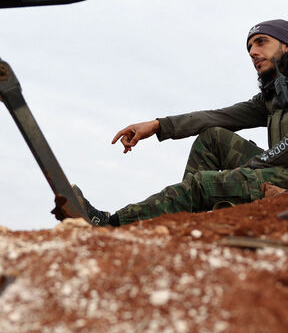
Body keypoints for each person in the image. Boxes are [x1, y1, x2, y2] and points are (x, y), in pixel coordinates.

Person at [73, 19, 288, 226]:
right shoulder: (272, 98)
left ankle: (113, 224)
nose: (252, 52)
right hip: (276, 170)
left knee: (204, 183)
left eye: (261, 42)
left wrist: (249, 168)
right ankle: (188, 223)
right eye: (250, 47)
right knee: (212, 138)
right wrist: (157, 125)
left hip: (281, 174)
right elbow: (217, 116)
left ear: (285, 45)